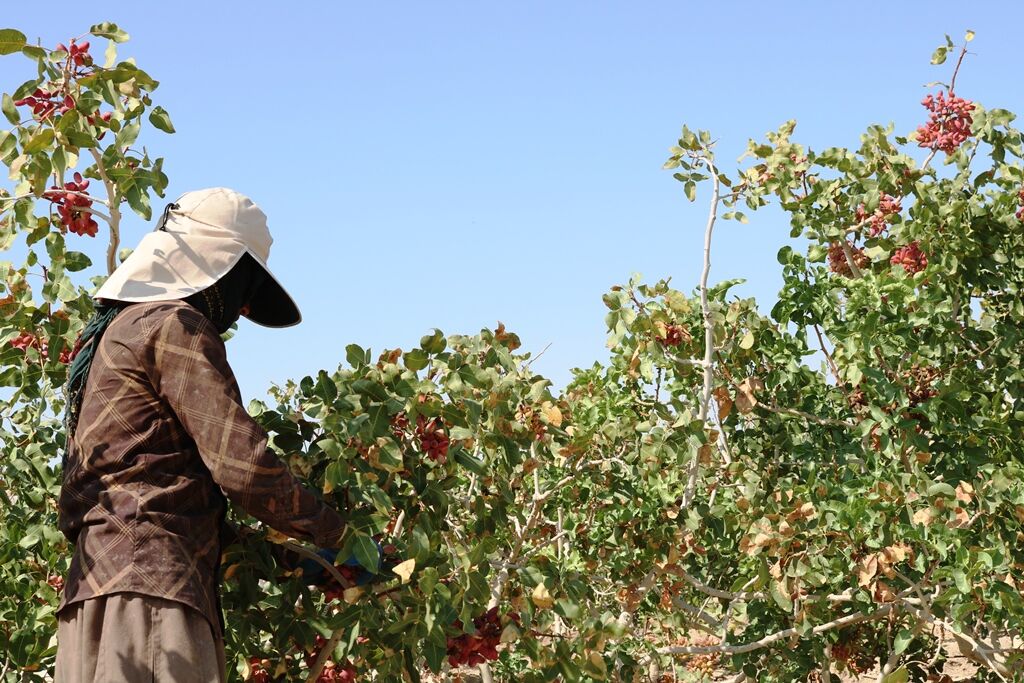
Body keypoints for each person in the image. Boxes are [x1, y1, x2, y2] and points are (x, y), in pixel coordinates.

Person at [54, 188, 346, 683]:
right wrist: (337, 534)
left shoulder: (118, 331)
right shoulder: (174, 324)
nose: (240, 309)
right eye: (244, 285)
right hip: (151, 600)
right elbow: (245, 468)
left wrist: (292, 558)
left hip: (100, 599)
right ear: (221, 268)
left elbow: (162, 490)